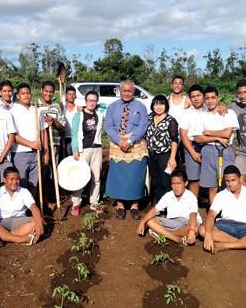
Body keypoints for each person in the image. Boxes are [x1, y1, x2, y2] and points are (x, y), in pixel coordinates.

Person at [199, 165, 246, 254]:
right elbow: (211, 215)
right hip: (226, 226)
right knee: (202, 230)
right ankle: (244, 243)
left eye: (233, 180)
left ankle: (225, 245)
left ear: (240, 179)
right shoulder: (221, 195)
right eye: (227, 181)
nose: (230, 184)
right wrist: (208, 234)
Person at [105, 80, 149, 220]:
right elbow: (108, 126)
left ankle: (135, 205)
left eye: (129, 91)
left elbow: (142, 126)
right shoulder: (112, 107)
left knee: (135, 175)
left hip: (135, 145)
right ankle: (120, 205)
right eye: (123, 90)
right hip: (117, 145)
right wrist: (120, 141)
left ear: (134, 91)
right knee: (119, 175)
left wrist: (129, 141)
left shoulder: (141, 107)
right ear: (120, 90)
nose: (126, 93)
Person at [194, 86, 239, 204]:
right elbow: (198, 138)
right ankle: (214, 213)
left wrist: (208, 132)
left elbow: (227, 134)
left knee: (228, 183)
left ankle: (227, 212)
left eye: (213, 98)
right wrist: (217, 138)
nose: (210, 101)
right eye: (207, 98)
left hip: (225, 149)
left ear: (217, 98)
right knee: (212, 186)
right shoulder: (201, 116)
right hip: (208, 150)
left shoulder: (228, 112)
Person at [0, 167, 45, 248]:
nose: (15, 182)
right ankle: (21, 239)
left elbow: (34, 207)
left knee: (38, 221)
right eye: (12, 179)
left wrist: (39, 225)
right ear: (5, 180)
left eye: (17, 179)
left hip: (20, 222)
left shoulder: (24, 191)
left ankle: (3, 237)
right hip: (0, 222)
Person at [136, 169, 201, 245]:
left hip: (188, 222)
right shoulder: (168, 195)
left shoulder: (191, 196)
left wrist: (191, 231)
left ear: (185, 183)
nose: (176, 187)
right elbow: (155, 210)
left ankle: (162, 233)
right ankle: (176, 239)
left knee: (196, 229)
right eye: (173, 183)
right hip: (172, 222)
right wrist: (142, 222)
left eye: (178, 183)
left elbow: (193, 215)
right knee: (149, 221)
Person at [10, 83, 49, 200]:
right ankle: (21, 210)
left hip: (36, 153)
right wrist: (30, 144)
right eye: (23, 94)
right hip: (20, 153)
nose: (26, 96)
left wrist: (46, 151)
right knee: (21, 183)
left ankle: (32, 209)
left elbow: (43, 132)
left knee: (35, 183)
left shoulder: (36, 110)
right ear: (18, 96)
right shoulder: (13, 111)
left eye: (28, 93)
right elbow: (13, 136)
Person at [71, 90, 104, 215]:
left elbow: (105, 106)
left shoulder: (99, 114)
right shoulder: (79, 115)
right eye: (89, 100)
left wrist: (99, 105)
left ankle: (94, 202)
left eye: (94, 100)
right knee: (81, 176)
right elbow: (74, 133)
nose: (92, 103)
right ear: (85, 101)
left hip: (97, 148)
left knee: (96, 177)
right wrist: (75, 150)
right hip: (83, 149)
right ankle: (76, 202)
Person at [37, 80, 66, 212]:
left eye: (51, 92)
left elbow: (62, 128)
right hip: (38, 145)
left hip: (54, 143)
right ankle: (39, 201)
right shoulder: (34, 105)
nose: (48, 94)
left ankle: (50, 200)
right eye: (46, 91)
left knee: (51, 174)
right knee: (39, 174)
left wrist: (54, 122)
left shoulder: (56, 107)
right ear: (42, 90)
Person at [145, 95, 179, 204]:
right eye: (156, 104)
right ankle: (157, 205)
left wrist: (172, 158)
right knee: (155, 181)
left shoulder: (171, 120)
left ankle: (167, 207)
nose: (158, 107)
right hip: (151, 155)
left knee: (166, 181)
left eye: (161, 104)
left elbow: (174, 140)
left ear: (166, 106)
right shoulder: (149, 118)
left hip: (165, 155)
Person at [179, 85, 206, 198]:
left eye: (198, 95)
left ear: (203, 96)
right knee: (193, 179)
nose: (196, 98)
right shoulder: (186, 113)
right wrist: (192, 152)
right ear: (190, 98)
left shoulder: (210, 109)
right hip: (191, 146)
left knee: (211, 178)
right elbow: (183, 134)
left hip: (209, 146)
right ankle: (193, 206)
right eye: (193, 96)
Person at [168, 76, 191, 165]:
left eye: (180, 83)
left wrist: (221, 105)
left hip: (184, 136)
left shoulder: (187, 100)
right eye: (175, 83)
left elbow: (201, 106)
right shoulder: (168, 99)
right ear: (171, 85)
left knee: (184, 162)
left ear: (183, 86)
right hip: (171, 136)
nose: (177, 86)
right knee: (173, 161)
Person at [63, 85, 80, 158]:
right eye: (69, 94)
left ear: (75, 96)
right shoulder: (62, 108)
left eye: (73, 94)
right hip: (64, 138)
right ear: (66, 96)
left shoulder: (78, 109)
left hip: (75, 139)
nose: (71, 96)